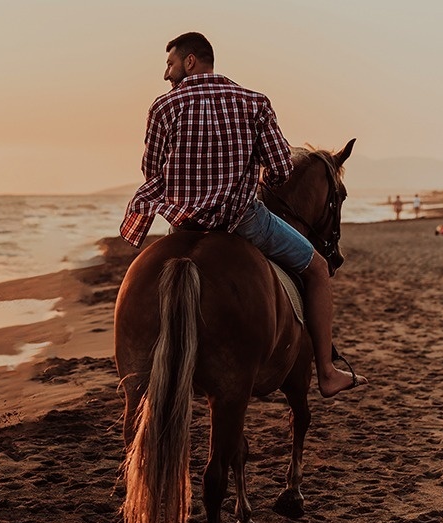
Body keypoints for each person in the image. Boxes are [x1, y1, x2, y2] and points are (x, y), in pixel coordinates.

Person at [120, 32, 366, 398]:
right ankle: (328, 373)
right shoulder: (254, 102)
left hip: (183, 224)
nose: (166, 74)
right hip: (243, 220)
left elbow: (151, 171)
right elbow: (282, 170)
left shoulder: (163, 107)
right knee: (316, 269)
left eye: (170, 64)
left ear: (190, 62)